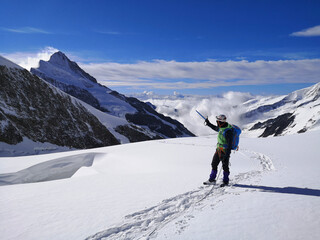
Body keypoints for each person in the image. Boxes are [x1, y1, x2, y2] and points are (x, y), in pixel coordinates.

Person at [203, 114, 233, 185]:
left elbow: (230, 144)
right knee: (214, 164)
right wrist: (208, 123)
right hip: (218, 149)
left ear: (220, 121)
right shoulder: (221, 127)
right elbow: (214, 128)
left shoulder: (228, 131)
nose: (217, 122)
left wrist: (227, 154)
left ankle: (226, 181)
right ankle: (212, 180)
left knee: (225, 166)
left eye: (217, 121)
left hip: (225, 151)